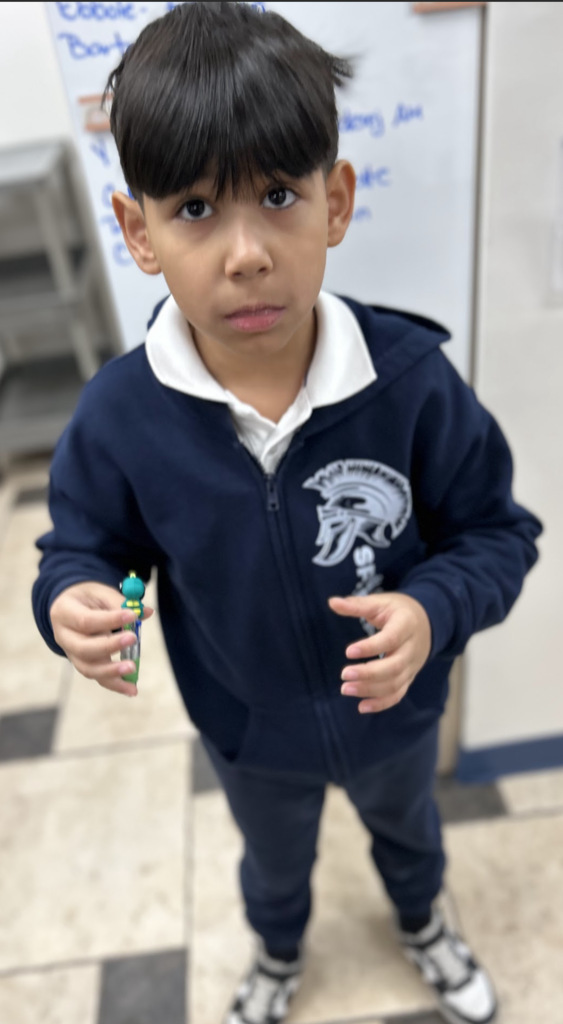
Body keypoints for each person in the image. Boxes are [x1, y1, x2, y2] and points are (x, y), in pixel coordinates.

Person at [32, 5, 542, 1024]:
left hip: (394, 716)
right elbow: (100, 549)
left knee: (410, 832)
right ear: (137, 231)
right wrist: (82, 598)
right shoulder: (120, 417)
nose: (245, 253)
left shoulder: (409, 382)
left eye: (275, 195)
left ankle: (421, 922)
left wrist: (432, 610)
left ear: (334, 200)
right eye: (193, 209)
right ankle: (274, 953)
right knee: (271, 857)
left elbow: (496, 534)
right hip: (246, 724)